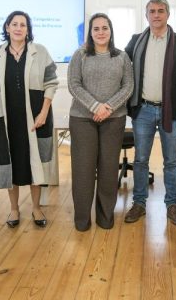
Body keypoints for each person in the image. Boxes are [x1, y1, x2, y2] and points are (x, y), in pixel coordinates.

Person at [124, 0, 176, 226]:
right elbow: (120, 65)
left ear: (168, 14)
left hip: (171, 111)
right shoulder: (136, 41)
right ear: (146, 15)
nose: (156, 15)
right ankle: (139, 203)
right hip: (143, 109)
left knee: (171, 161)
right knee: (141, 159)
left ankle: (172, 205)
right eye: (152, 11)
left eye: (160, 11)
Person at [0, 11, 58, 228]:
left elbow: (51, 82)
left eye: (23, 24)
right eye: (14, 24)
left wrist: (44, 112)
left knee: (35, 165)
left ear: (28, 29)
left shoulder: (40, 51)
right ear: (7, 27)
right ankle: (14, 209)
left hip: (35, 119)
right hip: (8, 120)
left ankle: (36, 208)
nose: (19, 28)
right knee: (13, 163)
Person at [67, 13, 134, 231]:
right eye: (96, 29)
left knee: (108, 170)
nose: (101, 32)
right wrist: (96, 106)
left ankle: (105, 217)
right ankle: (82, 220)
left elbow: (128, 86)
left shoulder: (122, 56)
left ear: (111, 31)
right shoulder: (80, 55)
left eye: (105, 28)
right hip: (82, 119)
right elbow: (74, 85)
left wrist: (108, 108)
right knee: (83, 171)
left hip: (113, 119)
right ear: (90, 32)